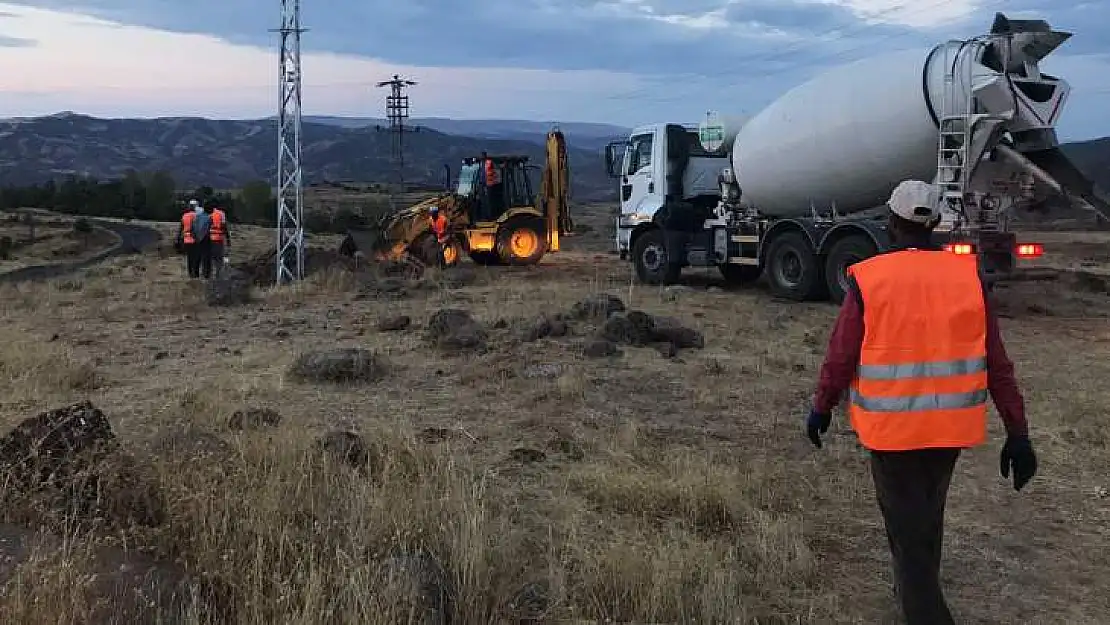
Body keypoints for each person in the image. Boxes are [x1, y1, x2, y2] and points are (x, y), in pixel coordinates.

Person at [805, 179, 1038, 625]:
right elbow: (998, 363)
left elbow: (841, 353)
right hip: (948, 432)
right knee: (926, 518)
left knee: (907, 530)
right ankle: (912, 592)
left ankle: (923, 610)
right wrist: (1018, 433)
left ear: (891, 223)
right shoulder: (967, 278)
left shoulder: (869, 280)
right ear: (933, 223)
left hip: (892, 435)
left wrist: (821, 406)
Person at [207, 202, 230, 277]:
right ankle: (218, 272)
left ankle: (211, 273)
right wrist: (228, 238)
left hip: (210, 238)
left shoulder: (209, 214)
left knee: (211, 256)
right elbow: (224, 226)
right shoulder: (221, 214)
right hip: (219, 238)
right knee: (219, 257)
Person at [191, 203, 213, 279]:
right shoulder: (209, 218)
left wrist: (195, 237)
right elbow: (207, 229)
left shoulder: (197, 217)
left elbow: (193, 227)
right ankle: (206, 274)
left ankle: (195, 273)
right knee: (206, 257)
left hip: (197, 238)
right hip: (205, 239)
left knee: (197, 257)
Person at [180, 202, 199, 277]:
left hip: (186, 239)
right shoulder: (196, 216)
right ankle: (196, 273)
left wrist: (179, 239)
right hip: (195, 240)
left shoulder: (184, 216)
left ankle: (190, 273)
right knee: (196, 257)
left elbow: (181, 228)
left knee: (189, 257)